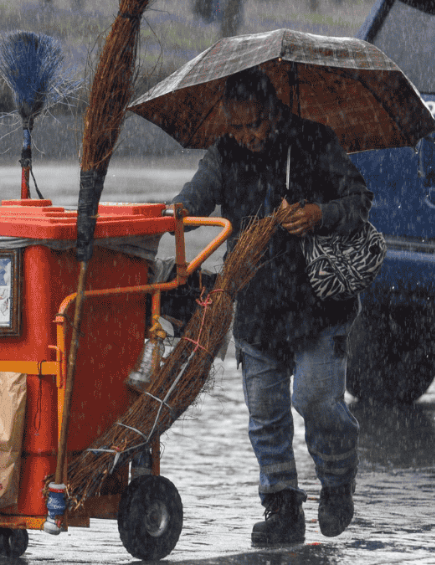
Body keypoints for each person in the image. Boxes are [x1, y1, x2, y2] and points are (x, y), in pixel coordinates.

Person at [171, 67, 373, 544]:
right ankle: (282, 507)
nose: (248, 136)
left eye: (255, 124)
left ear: (274, 112)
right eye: (237, 127)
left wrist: (319, 214)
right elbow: (196, 194)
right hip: (258, 306)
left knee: (316, 400)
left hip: (317, 305)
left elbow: (360, 199)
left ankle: (338, 481)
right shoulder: (224, 154)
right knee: (265, 415)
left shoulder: (314, 141)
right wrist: (174, 212)